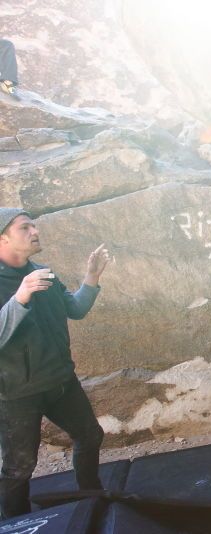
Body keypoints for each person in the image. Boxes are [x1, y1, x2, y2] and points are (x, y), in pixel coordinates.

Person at [0, 208, 112, 518]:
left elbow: (75, 309)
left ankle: (91, 497)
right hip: (17, 393)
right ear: (3, 238)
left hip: (60, 381)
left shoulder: (43, 272)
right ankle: (15, 523)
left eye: (34, 225)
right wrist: (20, 297)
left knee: (90, 435)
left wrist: (92, 277)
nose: (34, 231)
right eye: (25, 228)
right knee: (19, 468)